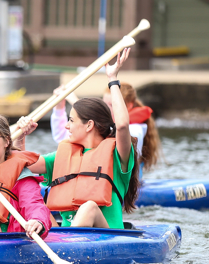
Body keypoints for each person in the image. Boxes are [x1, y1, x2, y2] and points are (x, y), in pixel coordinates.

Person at [16, 48, 140, 229]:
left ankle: (68, 242)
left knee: (89, 207)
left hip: (107, 237)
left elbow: (121, 125)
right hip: (63, 236)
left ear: (89, 125)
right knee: (36, 207)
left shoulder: (116, 154)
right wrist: (21, 136)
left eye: (71, 120)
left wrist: (112, 79)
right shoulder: (62, 155)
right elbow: (21, 167)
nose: (66, 126)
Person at [51, 82, 160, 180]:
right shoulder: (100, 127)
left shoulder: (136, 130)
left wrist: (77, 104)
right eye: (105, 104)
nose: (106, 109)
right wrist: (59, 107)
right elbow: (62, 137)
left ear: (128, 106)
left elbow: (118, 132)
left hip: (124, 182)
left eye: (111, 105)